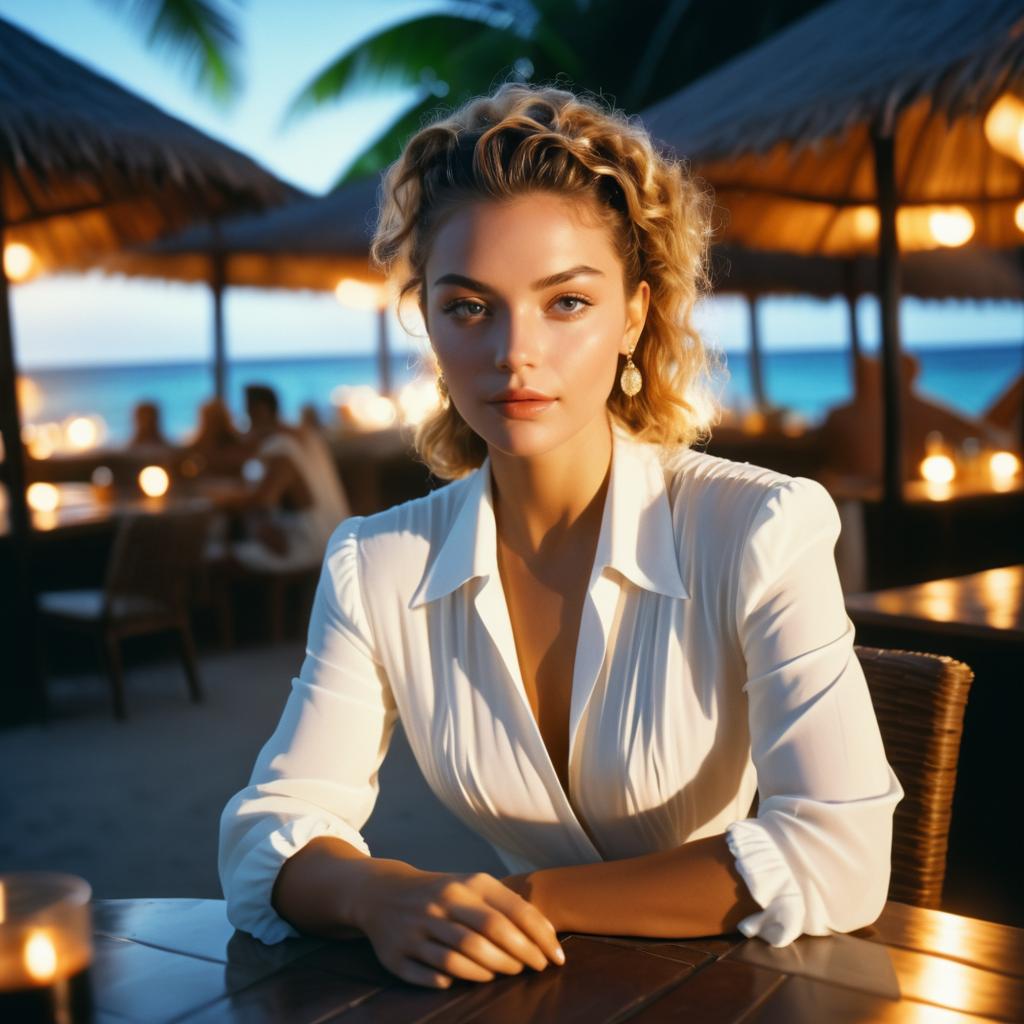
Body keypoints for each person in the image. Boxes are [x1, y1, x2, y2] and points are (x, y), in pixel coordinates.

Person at [219, 82, 903, 988]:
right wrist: (379, 894)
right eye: (469, 306)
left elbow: (840, 852)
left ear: (634, 316)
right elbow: (270, 826)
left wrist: (536, 896)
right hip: (529, 992)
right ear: (429, 320)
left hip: (742, 990)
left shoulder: (757, 528)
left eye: (566, 303)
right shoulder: (375, 564)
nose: (514, 351)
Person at [817, 352, 1011, 483]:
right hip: (860, 491)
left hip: (910, 484)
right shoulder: (841, 414)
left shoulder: (927, 409)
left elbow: (981, 432)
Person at [222, 385, 346, 572]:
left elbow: (264, 500)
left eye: (248, 410)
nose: (246, 416)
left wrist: (223, 498)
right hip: (331, 535)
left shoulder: (281, 445)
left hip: (311, 543)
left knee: (222, 556)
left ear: (261, 410)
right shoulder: (300, 435)